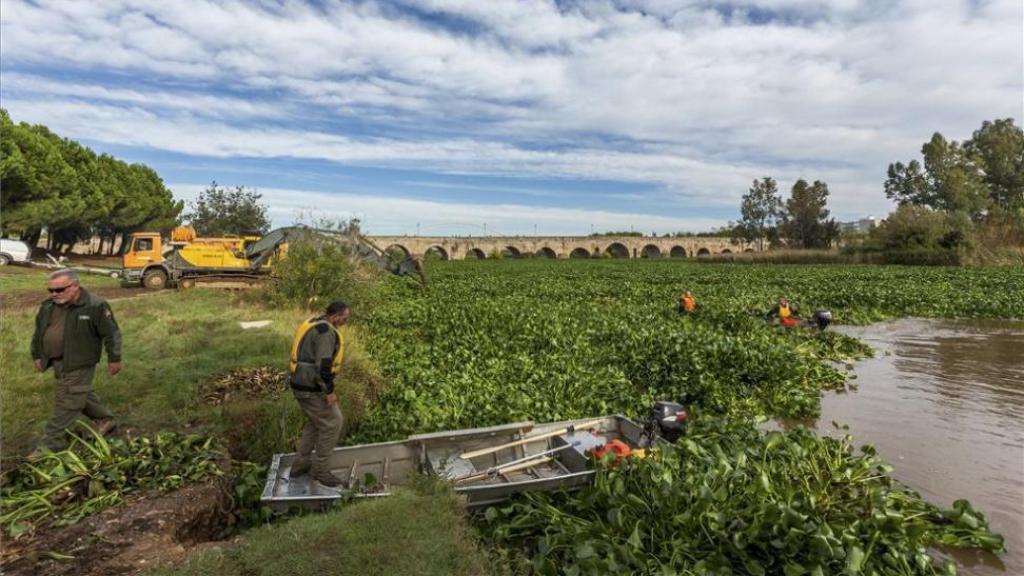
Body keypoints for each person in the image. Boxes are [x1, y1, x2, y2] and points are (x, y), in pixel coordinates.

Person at [29, 269, 121, 456]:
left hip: (81, 361)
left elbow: (111, 333)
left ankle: (49, 445)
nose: (55, 294)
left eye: (60, 289)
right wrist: (37, 355)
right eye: (51, 290)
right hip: (57, 361)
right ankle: (105, 419)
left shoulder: (95, 306)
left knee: (67, 402)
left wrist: (114, 358)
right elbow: (38, 333)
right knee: (79, 392)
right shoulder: (47, 306)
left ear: (75, 286)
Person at [288, 300, 351, 487]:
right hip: (311, 387)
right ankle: (321, 471)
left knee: (316, 423)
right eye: (344, 318)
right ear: (335, 316)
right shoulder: (326, 333)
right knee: (333, 422)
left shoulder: (315, 322)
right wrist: (329, 391)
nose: (345, 322)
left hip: (299, 383)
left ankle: (300, 465)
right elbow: (323, 366)